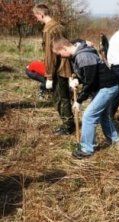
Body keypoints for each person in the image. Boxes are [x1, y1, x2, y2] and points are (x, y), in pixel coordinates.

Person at [52, 37, 119, 159]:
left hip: (107, 87)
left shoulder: (83, 56)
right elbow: (89, 75)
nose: (61, 56)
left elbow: (90, 82)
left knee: (89, 116)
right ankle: (115, 141)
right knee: (103, 115)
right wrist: (77, 80)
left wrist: (78, 100)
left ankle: (86, 149)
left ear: (63, 48)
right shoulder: (79, 54)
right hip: (104, 86)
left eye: (59, 54)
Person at [32, 4, 75, 135]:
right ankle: (69, 124)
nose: (36, 18)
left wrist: (49, 76)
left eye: (36, 16)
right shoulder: (60, 26)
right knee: (64, 97)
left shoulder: (49, 30)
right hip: (65, 66)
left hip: (58, 69)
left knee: (60, 98)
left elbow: (50, 55)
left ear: (41, 14)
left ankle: (68, 126)